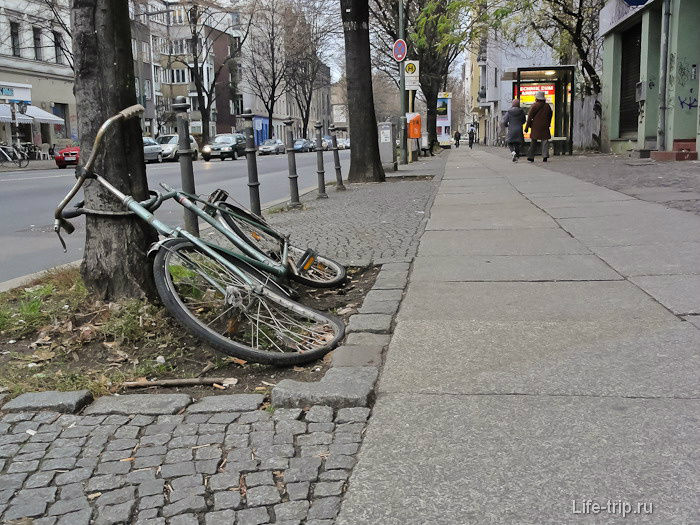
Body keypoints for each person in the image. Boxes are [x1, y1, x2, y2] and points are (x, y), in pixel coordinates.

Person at [525, 91, 553, 162]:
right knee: (545, 141)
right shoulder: (547, 106)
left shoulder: (534, 106)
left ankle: (531, 156)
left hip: (535, 126)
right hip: (545, 126)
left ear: (537, 98)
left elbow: (529, 117)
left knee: (533, 141)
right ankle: (545, 156)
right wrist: (548, 123)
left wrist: (526, 127)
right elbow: (550, 115)